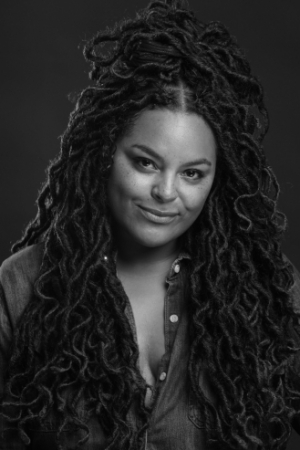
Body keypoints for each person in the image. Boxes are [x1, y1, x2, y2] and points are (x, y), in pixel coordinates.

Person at [1, 0, 300, 449]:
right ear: (104, 152)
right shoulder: (22, 287)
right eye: (145, 163)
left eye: (192, 173)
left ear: (217, 180)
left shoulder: (266, 294)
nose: (165, 192)